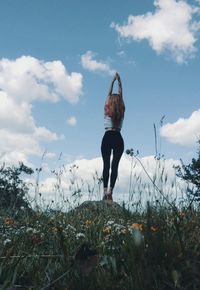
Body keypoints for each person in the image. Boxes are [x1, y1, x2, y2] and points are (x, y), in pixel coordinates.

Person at [101, 72, 125, 201]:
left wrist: (113, 81)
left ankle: (105, 191)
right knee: (114, 166)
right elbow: (120, 95)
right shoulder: (121, 109)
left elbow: (109, 94)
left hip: (107, 136)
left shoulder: (107, 108)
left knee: (106, 165)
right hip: (118, 138)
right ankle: (110, 191)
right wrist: (120, 82)